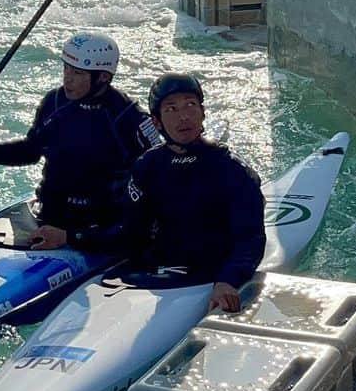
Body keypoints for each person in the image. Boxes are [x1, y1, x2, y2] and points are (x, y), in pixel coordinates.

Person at [0, 32, 161, 250]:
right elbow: (29, 152)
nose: (67, 79)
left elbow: (157, 171)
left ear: (102, 77)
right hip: (50, 216)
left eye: (77, 73)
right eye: (66, 68)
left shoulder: (127, 116)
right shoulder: (54, 102)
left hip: (101, 227)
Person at [83, 72, 266, 311]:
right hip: (161, 269)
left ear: (203, 112)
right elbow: (130, 231)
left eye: (190, 105)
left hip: (212, 272)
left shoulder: (231, 169)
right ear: (157, 122)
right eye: (171, 109)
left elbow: (250, 238)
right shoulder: (147, 166)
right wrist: (72, 237)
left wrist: (228, 280)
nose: (183, 117)